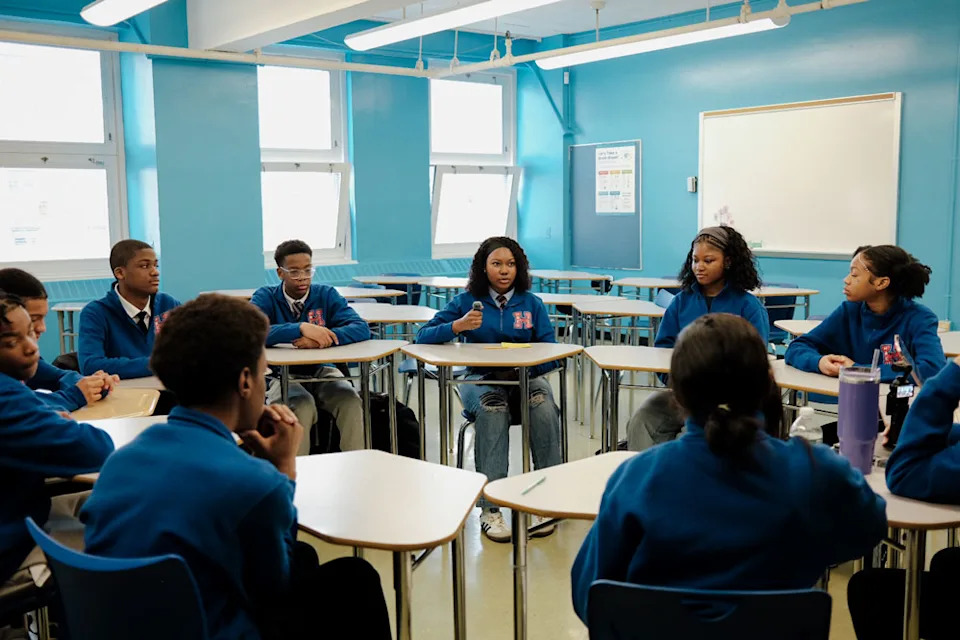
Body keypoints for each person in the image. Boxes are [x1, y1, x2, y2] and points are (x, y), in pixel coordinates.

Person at [80, 294, 391, 640]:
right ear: (245, 382)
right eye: (264, 373)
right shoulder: (255, 482)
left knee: (304, 555)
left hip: (128, 623)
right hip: (211, 629)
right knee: (355, 576)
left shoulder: (121, 460)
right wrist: (283, 470)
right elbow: (275, 587)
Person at [571, 313, 887, 625]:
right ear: (767, 385)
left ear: (677, 394)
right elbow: (867, 532)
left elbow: (590, 595)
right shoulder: (816, 471)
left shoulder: (637, 478)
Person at [416, 237, 562, 542]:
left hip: (525, 377)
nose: (504, 271)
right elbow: (422, 336)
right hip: (479, 378)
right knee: (493, 408)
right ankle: (490, 509)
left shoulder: (531, 303)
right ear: (484, 268)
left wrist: (526, 368)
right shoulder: (466, 300)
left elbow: (550, 350)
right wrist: (457, 327)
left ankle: (547, 500)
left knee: (543, 404)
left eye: (510, 264)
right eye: (496, 264)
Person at [0, 293, 114, 591]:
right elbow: (96, 448)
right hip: (13, 544)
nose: (32, 347)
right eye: (11, 342)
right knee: (122, 527)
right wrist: (49, 415)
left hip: (18, 507)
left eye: (30, 332)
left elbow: (51, 387)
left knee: (108, 499)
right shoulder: (7, 398)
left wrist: (42, 410)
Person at [844, 355, 960, 639]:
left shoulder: (919, 320)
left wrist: (954, 374)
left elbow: (906, 473)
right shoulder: (850, 316)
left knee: (870, 589)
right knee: (947, 561)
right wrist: (915, 433)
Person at [627, 225, 769, 451]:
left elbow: (757, 363)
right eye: (695, 260)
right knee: (643, 417)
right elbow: (663, 350)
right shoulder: (680, 302)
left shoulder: (749, 307)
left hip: (730, 402)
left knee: (695, 434)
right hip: (684, 396)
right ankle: (648, 477)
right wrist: (681, 386)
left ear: (728, 261)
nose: (699, 267)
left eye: (708, 261)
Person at [785, 245, 945, 444]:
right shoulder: (849, 311)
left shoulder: (919, 318)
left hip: (901, 422)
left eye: (854, 275)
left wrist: (859, 371)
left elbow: (932, 369)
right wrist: (819, 362)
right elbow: (797, 347)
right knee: (806, 445)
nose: (846, 280)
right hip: (856, 418)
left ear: (881, 283)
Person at [251, 240, 370, 455]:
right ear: (280, 273)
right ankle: (299, 474)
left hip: (321, 369)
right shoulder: (266, 296)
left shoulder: (325, 294)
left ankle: (357, 464)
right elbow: (252, 330)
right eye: (294, 272)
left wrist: (323, 337)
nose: (303, 277)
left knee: (350, 399)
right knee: (302, 405)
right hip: (280, 375)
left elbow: (361, 328)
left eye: (308, 270)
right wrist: (300, 328)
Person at [0, 268, 118, 412]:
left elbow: (59, 375)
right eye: (33, 319)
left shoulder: (24, 359)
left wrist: (91, 385)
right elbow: (20, 403)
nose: (42, 328)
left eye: (43, 318)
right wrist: (74, 395)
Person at [78, 239, 181, 380]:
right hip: (124, 395)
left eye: (156, 265)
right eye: (145, 266)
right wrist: (158, 363)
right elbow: (90, 366)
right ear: (120, 273)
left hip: (169, 390)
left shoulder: (168, 304)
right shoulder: (96, 313)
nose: (155, 272)